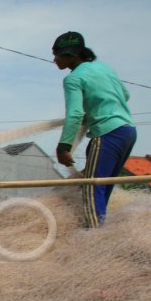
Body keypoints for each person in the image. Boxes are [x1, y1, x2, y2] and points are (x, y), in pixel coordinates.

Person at [51, 31, 136, 227]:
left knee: (91, 188)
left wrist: (63, 147)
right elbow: (125, 95)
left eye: (57, 55)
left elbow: (75, 114)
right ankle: (101, 227)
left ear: (71, 56)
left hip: (107, 134)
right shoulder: (104, 68)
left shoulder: (73, 79)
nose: (54, 60)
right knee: (103, 186)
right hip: (128, 131)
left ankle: (96, 238)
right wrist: (101, 107)